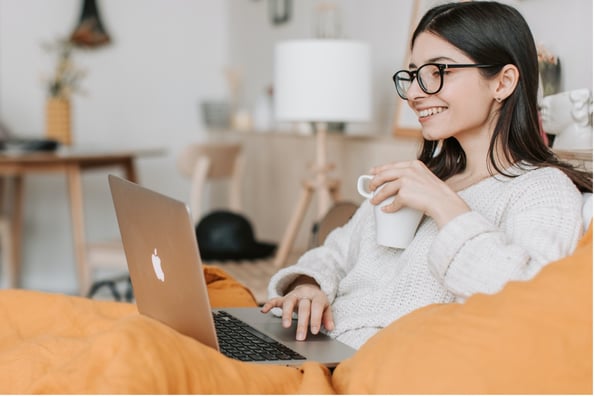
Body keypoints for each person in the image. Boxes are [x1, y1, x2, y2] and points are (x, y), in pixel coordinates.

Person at [261, 1, 593, 350]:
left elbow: (529, 301)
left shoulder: (540, 190)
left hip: (373, 367)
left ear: (503, 82)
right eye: (415, 74)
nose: (416, 93)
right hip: (315, 342)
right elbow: (335, 252)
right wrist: (309, 286)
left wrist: (445, 207)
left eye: (439, 72)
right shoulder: (423, 176)